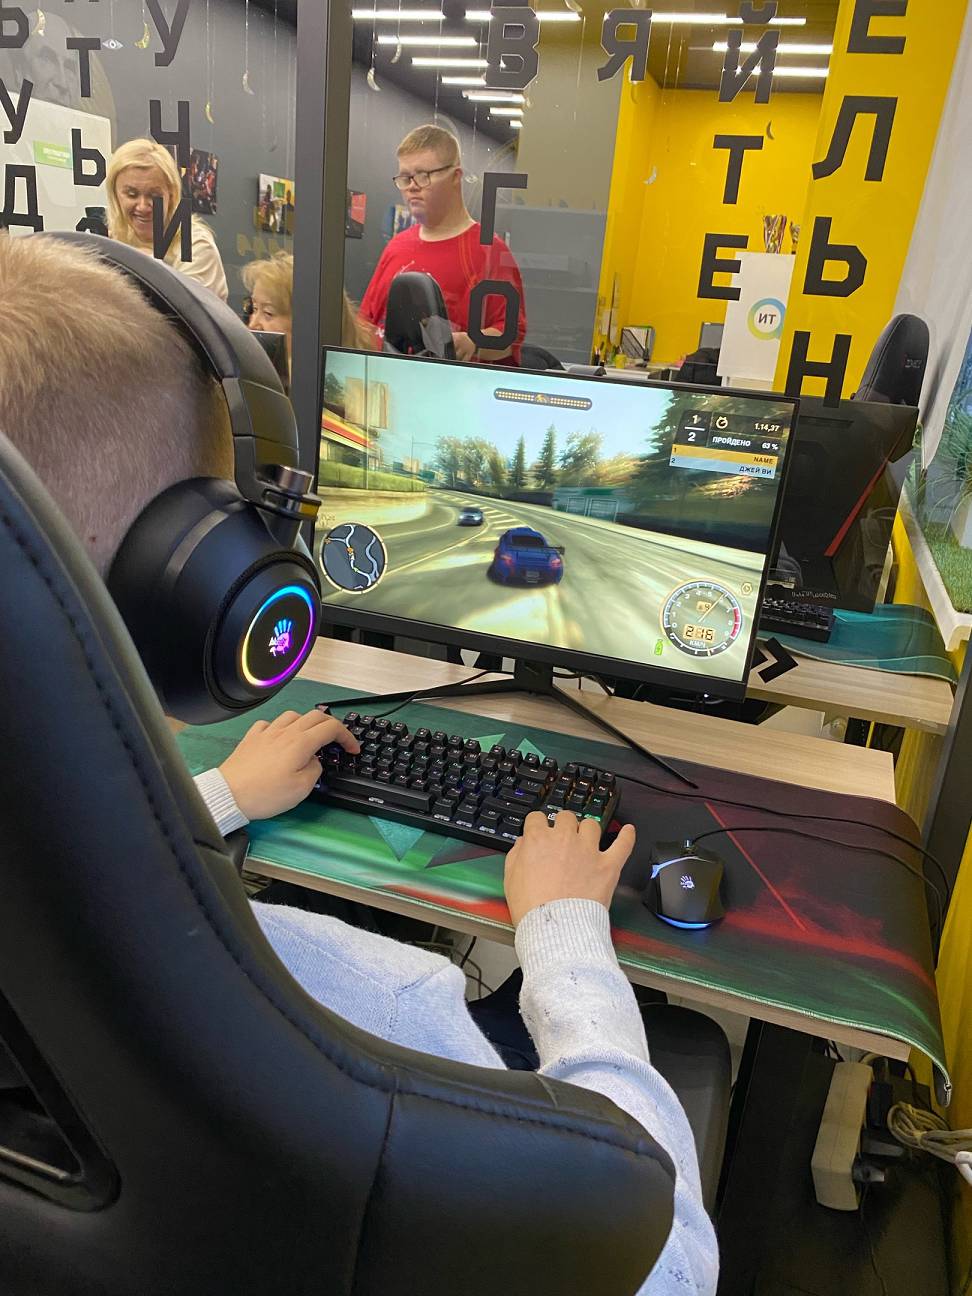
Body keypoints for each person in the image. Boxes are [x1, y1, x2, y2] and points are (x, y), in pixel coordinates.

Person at [0, 233, 717, 1295]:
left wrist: (218, 796)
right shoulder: (361, 1011)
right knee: (694, 1040)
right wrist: (566, 940)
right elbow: (668, 1264)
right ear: (203, 587)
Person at [361, 125, 527, 365]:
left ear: (455, 177)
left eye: (423, 175)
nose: (412, 186)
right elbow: (366, 323)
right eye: (405, 178)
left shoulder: (489, 252)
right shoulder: (396, 247)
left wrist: (472, 342)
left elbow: (511, 337)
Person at [106, 138, 229, 302]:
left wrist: (148, 266)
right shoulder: (113, 237)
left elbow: (184, 311)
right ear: (115, 194)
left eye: (154, 195)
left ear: (171, 195)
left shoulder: (196, 245)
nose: (143, 206)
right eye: (131, 194)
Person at [241, 251, 374, 379]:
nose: (252, 324)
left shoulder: (345, 384)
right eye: (254, 309)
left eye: (268, 313)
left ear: (308, 324)